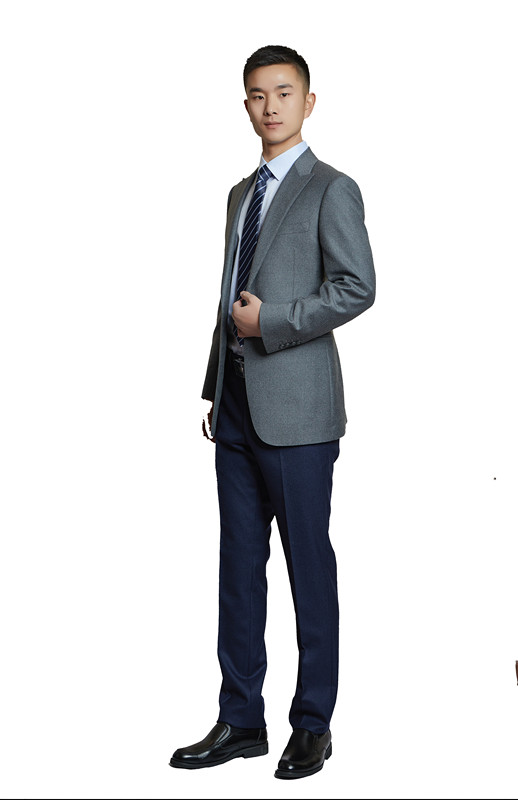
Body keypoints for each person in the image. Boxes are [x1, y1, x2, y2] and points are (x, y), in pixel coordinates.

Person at [170, 44, 375, 780]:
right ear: (246, 105)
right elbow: (228, 293)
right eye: (258, 95)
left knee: (308, 569)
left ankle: (313, 723)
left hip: (299, 414)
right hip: (235, 411)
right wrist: (214, 388)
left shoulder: (331, 188)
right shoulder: (239, 194)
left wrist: (273, 322)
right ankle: (240, 719)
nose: (271, 107)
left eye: (284, 93)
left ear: (308, 102)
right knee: (238, 571)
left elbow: (356, 286)